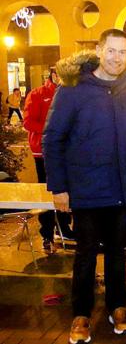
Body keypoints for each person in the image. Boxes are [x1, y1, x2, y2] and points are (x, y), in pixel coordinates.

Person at [43, 29, 126, 344]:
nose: (117, 58)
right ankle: (81, 313)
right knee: (85, 254)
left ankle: (118, 307)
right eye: (111, 51)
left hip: (121, 189)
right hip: (86, 190)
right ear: (100, 50)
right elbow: (53, 138)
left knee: (118, 252)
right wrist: (58, 187)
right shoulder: (73, 89)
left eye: (123, 52)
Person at [23, 68, 74, 254]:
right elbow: (28, 122)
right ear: (53, 75)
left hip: (68, 153)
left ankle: (64, 228)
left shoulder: (72, 93)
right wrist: (52, 132)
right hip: (43, 153)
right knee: (46, 192)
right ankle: (47, 233)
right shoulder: (37, 94)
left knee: (67, 191)